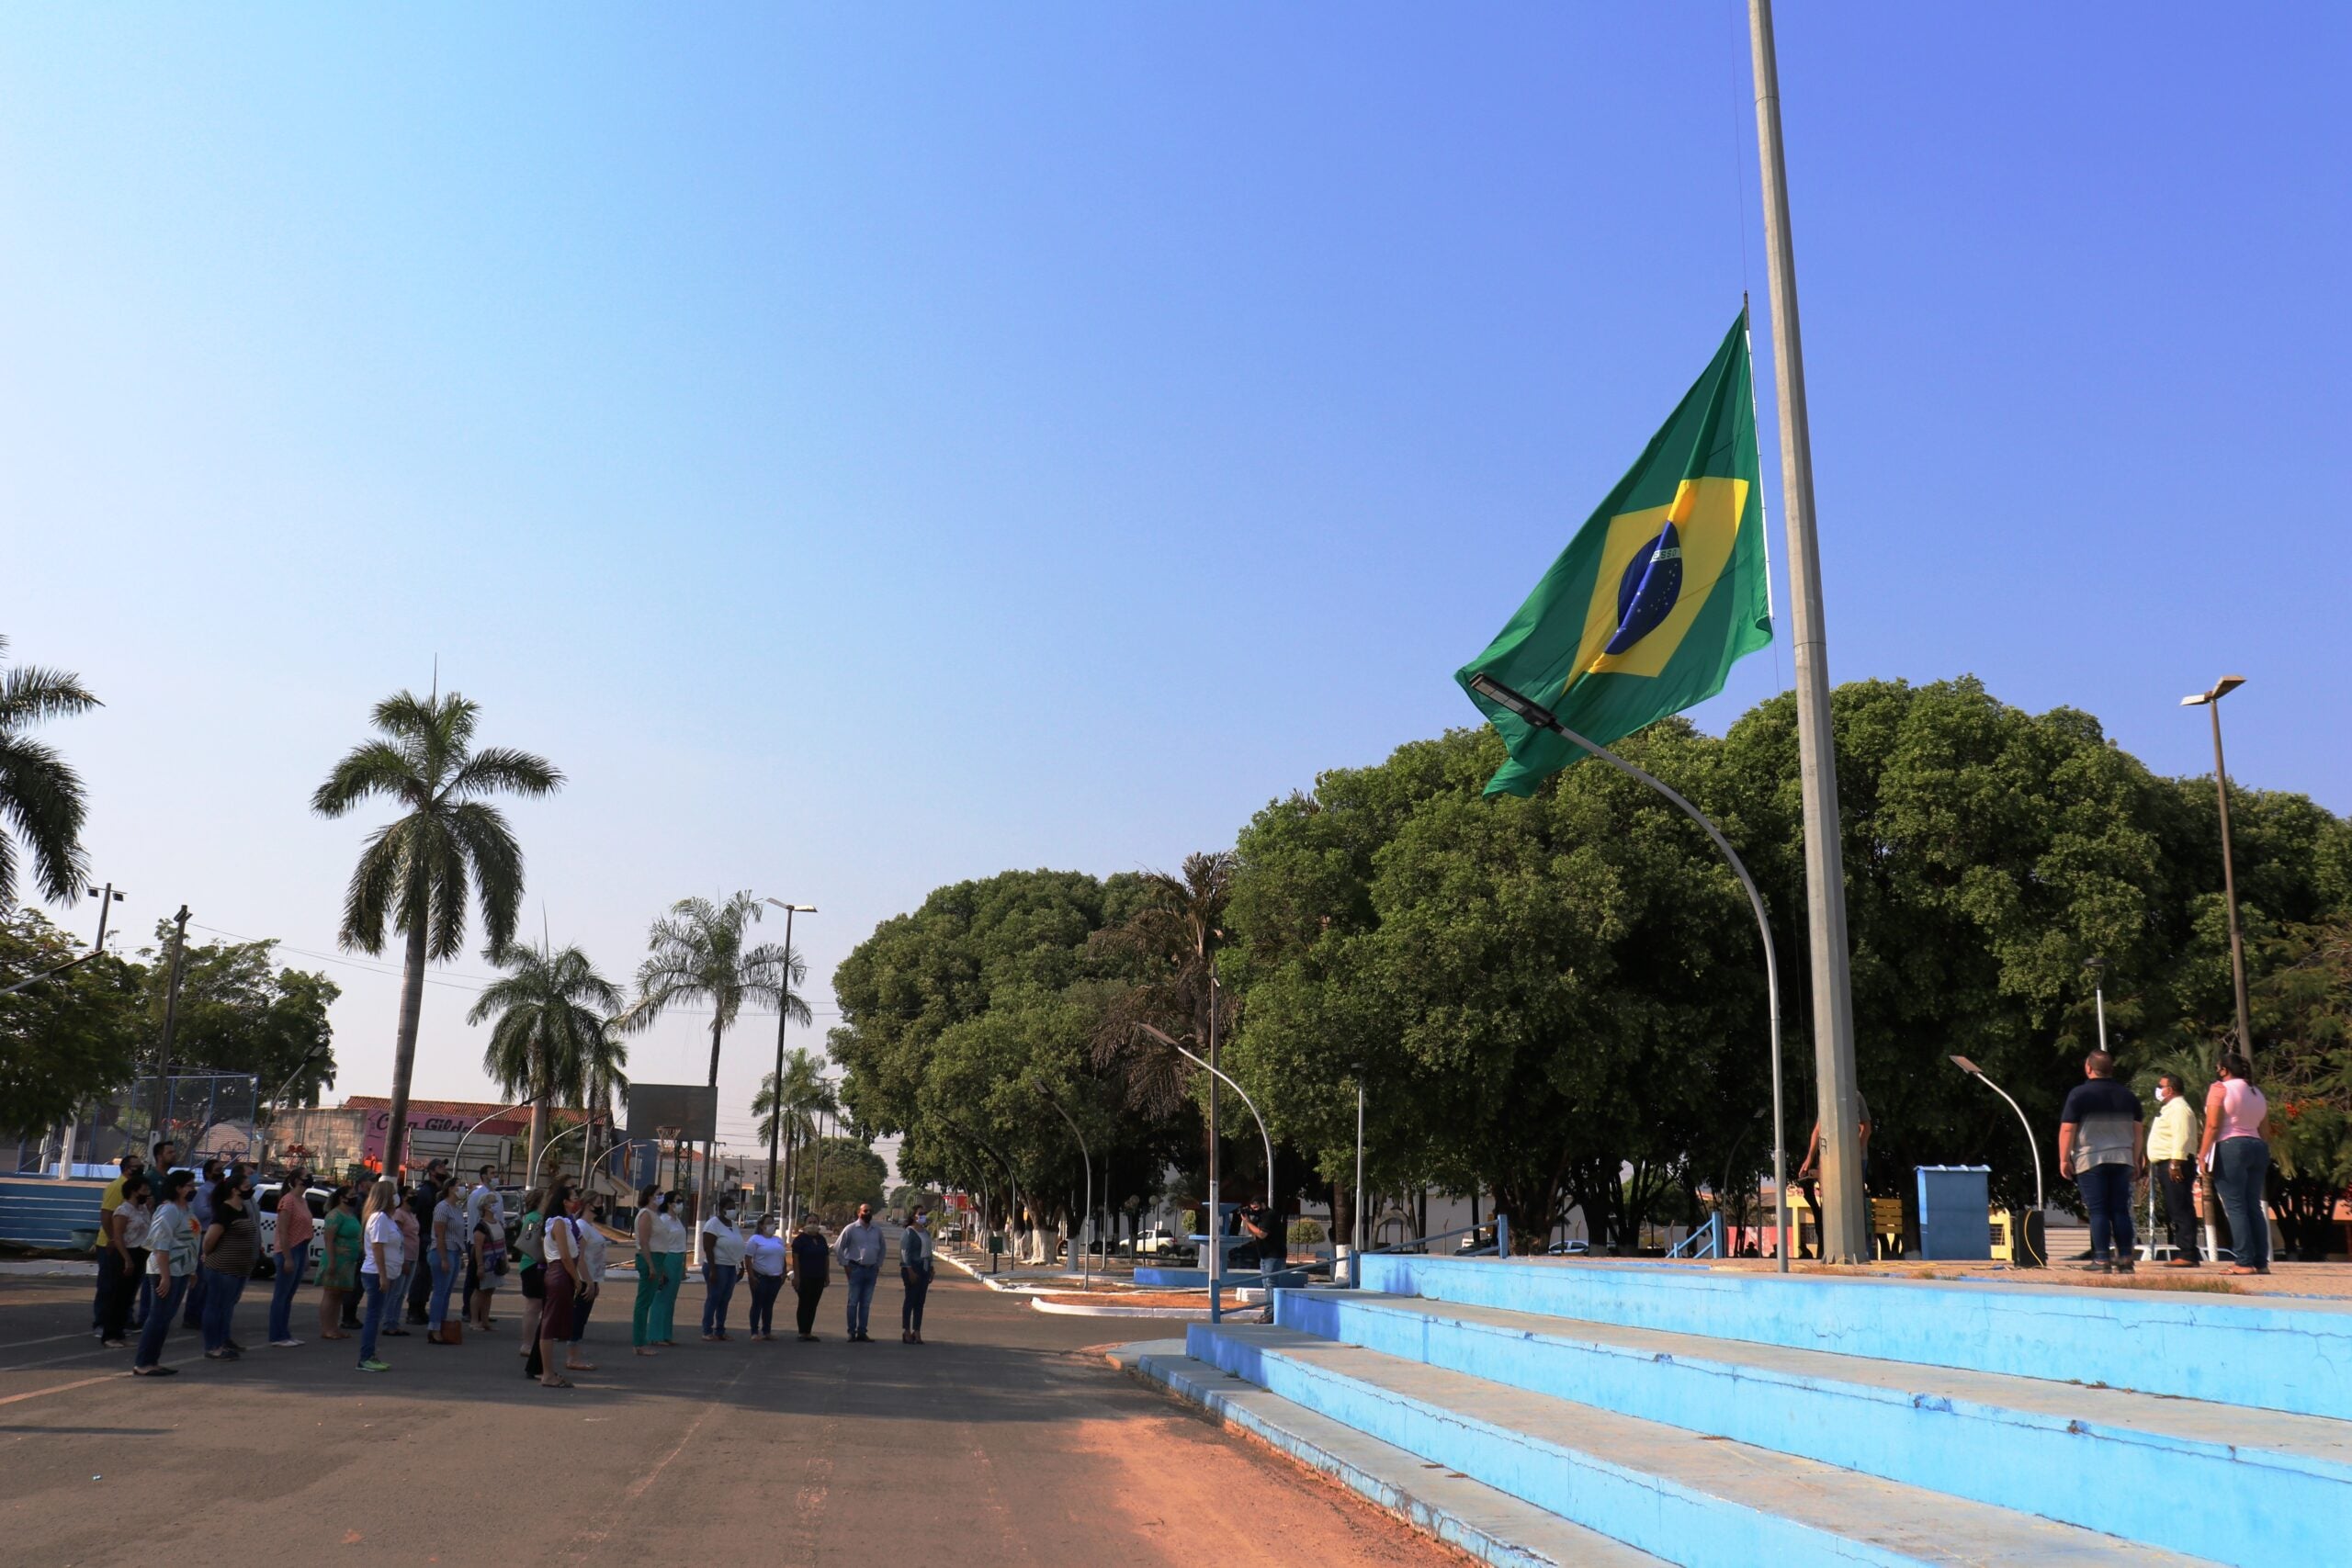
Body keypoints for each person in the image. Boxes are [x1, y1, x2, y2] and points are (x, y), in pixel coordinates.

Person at [2058, 1051, 2144, 1274]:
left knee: (2098, 1211)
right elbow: (2138, 1130)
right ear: (2111, 1069)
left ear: (2089, 1068)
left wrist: (2064, 1159)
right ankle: (2125, 1257)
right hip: (2123, 1158)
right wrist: (2135, 1160)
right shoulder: (2128, 1096)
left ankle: (2102, 1259)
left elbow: (2068, 1128)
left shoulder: (2079, 1095)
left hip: (2091, 1158)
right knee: (2120, 1210)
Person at [2200, 1053, 2272, 1276]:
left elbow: (2212, 1125)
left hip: (2231, 1146)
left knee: (2235, 1206)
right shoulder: (2256, 1092)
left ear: (2224, 1070)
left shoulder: (2219, 1089)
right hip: (2257, 1147)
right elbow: (2266, 1128)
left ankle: (2243, 1261)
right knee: (2253, 1206)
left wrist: (2202, 1154)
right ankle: (2260, 1261)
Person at [133, 1169, 200, 1375]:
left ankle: (152, 1360)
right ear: (178, 1188)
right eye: (189, 1185)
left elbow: (190, 1240)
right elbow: (160, 1245)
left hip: (180, 1270)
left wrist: (191, 1270)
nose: (193, 1189)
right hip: (166, 1270)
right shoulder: (169, 1210)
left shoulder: (186, 1210)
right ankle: (144, 1362)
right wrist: (164, 1276)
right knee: (158, 1316)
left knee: (166, 1317)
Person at [1794, 1093, 1872, 1258]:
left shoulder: (1855, 1096)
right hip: (1832, 1159)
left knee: (1854, 1203)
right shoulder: (1826, 1093)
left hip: (1856, 1160)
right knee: (1833, 1202)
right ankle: (1832, 1250)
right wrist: (1810, 1157)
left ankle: (1863, 1251)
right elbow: (1818, 1129)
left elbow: (1866, 1128)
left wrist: (1854, 1152)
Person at [198, 1175, 259, 1359]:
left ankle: (223, 1341)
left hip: (238, 1269)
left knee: (225, 1308)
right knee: (215, 1306)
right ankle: (212, 1346)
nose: (250, 1189)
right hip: (222, 1268)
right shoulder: (225, 1210)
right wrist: (207, 1254)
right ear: (235, 1189)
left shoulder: (241, 1209)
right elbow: (209, 1240)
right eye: (246, 1186)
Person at [2146, 1072, 2203, 1268]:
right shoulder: (2171, 1108)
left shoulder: (2179, 1109)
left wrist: (2175, 1163)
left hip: (2175, 1164)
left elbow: (2182, 1136)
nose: (2158, 1089)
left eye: (2160, 1085)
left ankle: (2187, 1253)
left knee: (2180, 1208)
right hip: (2169, 1163)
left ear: (2170, 1089)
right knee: (2176, 1207)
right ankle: (2187, 1251)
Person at [98, 1171, 153, 1348]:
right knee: (116, 1295)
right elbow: (118, 1236)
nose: (147, 1193)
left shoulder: (142, 1209)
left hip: (140, 1252)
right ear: (134, 1191)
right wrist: (127, 1259)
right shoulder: (123, 1210)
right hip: (124, 1253)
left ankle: (120, 1332)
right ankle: (109, 1334)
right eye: (144, 1190)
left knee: (127, 1297)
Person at [535, 1181, 581, 1387]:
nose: (576, 1202)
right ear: (564, 1201)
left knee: (553, 1323)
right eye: (573, 1198)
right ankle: (547, 1373)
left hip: (561, 1274)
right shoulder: (559, 1223)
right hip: (560, 1274)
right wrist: (577, 1279)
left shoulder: (563, 1222)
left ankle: (549, 1371)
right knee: (549, 1323)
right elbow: (565, 1256)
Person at [94, 1153, 145, 1334]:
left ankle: (123, 1320)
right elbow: (107, 1215)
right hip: (111, 1243)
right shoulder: (117, 1187)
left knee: (125, 1286)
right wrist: (112, 1239)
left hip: (129, 1244)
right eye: (136, 1166)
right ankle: (101, 1322)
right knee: (108, 1285)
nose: (140, 1168)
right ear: (125, 1169)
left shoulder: (135, 1189)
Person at [356, 1178, 404, 1372]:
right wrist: (383, 1276)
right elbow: (377, 1247)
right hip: (376, 1274)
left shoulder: (388, 1218)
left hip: (386, 1273)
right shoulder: (379, 1218)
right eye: (393, 1191)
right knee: (373, 1317)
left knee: (376, 1316)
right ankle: (366, 1357)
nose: (396, 1195)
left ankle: (370, 1355)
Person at [268, 1167, 316, 1347]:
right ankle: (276, 1335)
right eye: (306, 1176)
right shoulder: (287, 1201)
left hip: (300, 1248)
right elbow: (283, 1230)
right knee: (281, 1295)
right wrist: (288, 1258)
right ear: (297, 1180)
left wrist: (304, 1257)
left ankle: (285, 1333)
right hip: (288, 1250)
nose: (309, 1178)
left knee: (288, 1295)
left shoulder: (302, 1201)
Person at [179, 1157, 224, 1329]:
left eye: (222, 1169)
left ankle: (203, 1313)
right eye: (217, 1169)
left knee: (210, 1279)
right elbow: (200, 1212)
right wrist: (219, 1208)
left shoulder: (219, 1190)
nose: (221, 1172)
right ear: (208, 1173)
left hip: (215, 1236)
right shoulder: (205, 1191)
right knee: (201, 1279)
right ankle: (192, 1315)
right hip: (204, 1235)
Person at [404, 1160, 448, 1324]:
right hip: (424, 1236)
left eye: (444, 1167)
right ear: (431, 1171)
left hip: (435, 1236)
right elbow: (415, 1212)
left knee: (428, 1276)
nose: (444, 1170)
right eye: (440, 1167)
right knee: (421, 1274)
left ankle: (421, 1308)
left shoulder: (440, 1190)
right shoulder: (425, 1191)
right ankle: (413, 1309)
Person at [428, 1173, 469, 1343]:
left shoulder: (457, 1208)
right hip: (442, 1251)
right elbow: (439, 1234)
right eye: (459, 1185)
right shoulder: (442, 1207)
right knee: (439, 1291)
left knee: (446, 1293)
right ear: (451, 1188)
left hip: (455, 1252)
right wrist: (443, 1258)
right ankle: (434, 1328)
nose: (463, 1188)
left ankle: (441, 1325)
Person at [317, 1184, 360, 1340]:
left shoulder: (350, 1214)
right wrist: (332, 1262)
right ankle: (326, 1328)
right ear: (342, 1198)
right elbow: (329, 1240)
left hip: (348, 1261)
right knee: (330, 1293)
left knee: (339, 1295)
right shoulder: (334, 1215)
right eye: (352, 1194)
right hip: (336, 1258)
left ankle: (334, 1328)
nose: (355, 1197)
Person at [568, 1200, 608, 1368]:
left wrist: (596, 1281)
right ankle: (572, 1358)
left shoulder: (590, 1226)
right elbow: (580, 1257)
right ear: (587, 1205)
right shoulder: (582, 1226)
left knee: (582, 1319)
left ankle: (575, 1356)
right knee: (577, 1319)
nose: (601, 1205)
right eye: (597, 1201)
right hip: (584, 1279)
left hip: (592, 1278)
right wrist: (588, 1282)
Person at [700, 1197, 747, 1340]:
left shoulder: (733, 1224)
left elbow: (738, 1245)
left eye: (734, 1207)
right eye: (730, 1208)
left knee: (725, 1299)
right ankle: (707, 1330)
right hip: (717, 1266)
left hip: (731, 1266)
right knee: (714, 1298)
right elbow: (708, 1248)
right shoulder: (712, 1225)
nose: (733, 1210)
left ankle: (720, 1330)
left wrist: (741, 1265)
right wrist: (713, 1270)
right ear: (721, 1209)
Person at [837, 1202, 884, 1343]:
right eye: (865, 1211)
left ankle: (862, 1332)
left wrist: (878, 1265)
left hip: (871, 1270)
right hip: (856, 1269)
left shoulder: (877, 1230)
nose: (867, 1213)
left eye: (870, 1211)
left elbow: (882, 1248)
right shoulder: (850, 1229)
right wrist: (846, 1265)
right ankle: (851, 1332)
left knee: (866, 1303)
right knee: (853, 1303)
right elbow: (838, 1247)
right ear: (859, 1213)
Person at [649, 1190, 689, 1346]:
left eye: (681, 1201)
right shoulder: (663, 1220)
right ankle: (655, 1335)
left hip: (678, 1259)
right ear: (669, 1203)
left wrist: (683, 1266)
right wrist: (660, 1268)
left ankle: (666, 1334)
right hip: (667, 1258)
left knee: (670, 1300)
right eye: (677, 1201)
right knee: (660, 1299)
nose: (680, 1204)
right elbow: (656, 1243)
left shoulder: (677, 1220)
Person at [631, 1186, 666, 1356]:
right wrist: (651, 1265)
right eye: (659, 1194)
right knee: (643, 1303)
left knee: (647, 1301)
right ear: (650, 1196)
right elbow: (644, 1242)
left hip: (657, 1259)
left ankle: (641, 1342)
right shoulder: (645, 1214)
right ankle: (639, 1343)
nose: (662, 1196)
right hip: (649, 1259)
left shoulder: (655, 1215)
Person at [514, 1188, 547, 1359]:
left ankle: (532, 1342)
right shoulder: (534, 1219)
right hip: (532, 1266)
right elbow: (526, 1241)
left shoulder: (540, 1218)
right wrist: (540, 1256)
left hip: (536, 1265)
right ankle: (527, 1343)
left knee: (537, 1306)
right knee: (533, 1307)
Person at [743, 1214, 787, 1340]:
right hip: (760, 1277)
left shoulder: (778, 1240)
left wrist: (783, 1273)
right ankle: (754, 1332)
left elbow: (782, 1257)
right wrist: (751, 1276)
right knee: (757, 1304)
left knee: (769, 1305)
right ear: (762, 1226)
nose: (772, 1225)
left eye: (773, 1222)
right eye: (768, 1222)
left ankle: (767, 1331)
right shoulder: (755, 1239)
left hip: (776, 1278)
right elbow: (748, 1258)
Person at [789, 1214, 831, 1341]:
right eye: (810, 1221)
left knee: (813, 1304)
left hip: (818, 1276)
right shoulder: (800, 1240)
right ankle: (802, 1332)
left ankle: (808, 1332)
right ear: (805, 1223)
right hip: (804, 1277)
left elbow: (826, 1258)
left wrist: (827, 1275)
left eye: (815, 1222)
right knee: (804, 1303)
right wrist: (797, 1277)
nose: (812, 1224)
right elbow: (795, 1259)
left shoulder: (821, 1239)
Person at [470, 1198, 508, 1333]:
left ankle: (485, 1321)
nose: (495, 1205)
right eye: (493, 1202)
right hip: (484, 1263)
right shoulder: (481, 1226)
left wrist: (505, 1260)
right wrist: (480, 1266)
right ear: (485, 1206)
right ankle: (474, 1320)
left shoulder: (498, 1223)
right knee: (479, 1291)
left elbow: (503, 1243)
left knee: (489, 1291)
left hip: (496, 1263)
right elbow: (478, 1247)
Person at [899, 1207, 935, 1345]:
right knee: (910, 1300)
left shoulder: (926, 1232)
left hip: (925, 1268)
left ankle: (917, 1331)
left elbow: (929, 1251)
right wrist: (909, 1271)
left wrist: (931, 1268)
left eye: (924, 1214)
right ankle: (906, 1331)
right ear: (914, 1216)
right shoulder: (909, 1233)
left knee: (920, 1302)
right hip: (912, 1268)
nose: (923, 1216)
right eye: (920, 1214)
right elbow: (905, 1253)